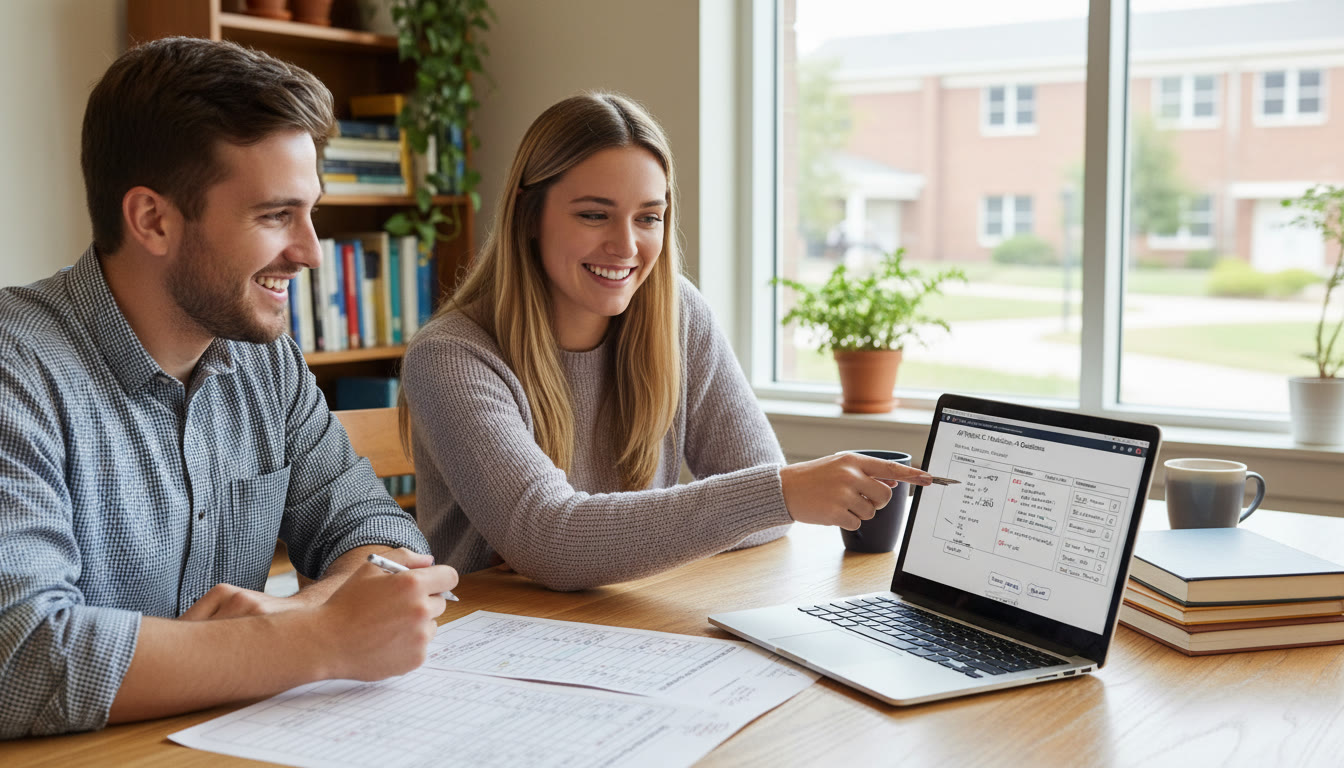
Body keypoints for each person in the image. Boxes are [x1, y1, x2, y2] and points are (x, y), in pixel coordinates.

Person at [0, 37, 458, 739]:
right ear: (153, 219)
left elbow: (380, 532)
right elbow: (21, 654)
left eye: (310, 211)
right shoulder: (16, 368)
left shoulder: (265, 363)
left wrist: (307, 611)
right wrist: (321, 640)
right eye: (276, 215)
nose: (309, 250)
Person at [401, 92, 931, 592]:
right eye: (593, 214)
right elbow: (550, 540)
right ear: (528, 214)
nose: (626, 245)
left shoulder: (675, 314)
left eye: (648, 217)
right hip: (490, 645)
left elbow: (763, 520)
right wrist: (780, 493)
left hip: (628, 617)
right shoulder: (451, 356)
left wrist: (610, 542)